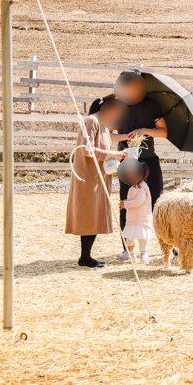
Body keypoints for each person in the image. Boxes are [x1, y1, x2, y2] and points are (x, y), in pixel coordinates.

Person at [65, 96, 128, 268]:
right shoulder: (92, 121)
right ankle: (85, 258)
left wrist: (128, 136)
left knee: (93, 215)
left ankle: (86, 256)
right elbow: (86, 148)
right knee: (88, 215)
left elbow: (109, 137)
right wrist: (111, 155)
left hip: (99, 175)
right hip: (88, 176)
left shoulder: (104, 123)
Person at [114, 70, 168, 261]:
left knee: (157, 204)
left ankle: (166, 246)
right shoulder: (117, 105)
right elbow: (109, 134)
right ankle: (127, 250)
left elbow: (163, 132)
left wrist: (144, 131)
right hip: (126, 161)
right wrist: (127, 136)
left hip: (149, 161)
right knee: (126, 204)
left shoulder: (152, 105)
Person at [118, 160, 154, 264]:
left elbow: (139, 201)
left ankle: (143, 253)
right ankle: (131, 253)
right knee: (130, 236)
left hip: (141, 218)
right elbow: (132, 200)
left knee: (141, 236)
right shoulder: (133, 187)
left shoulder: (142, 188)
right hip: (132, 217)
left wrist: (126, 204)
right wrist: (125, 203)